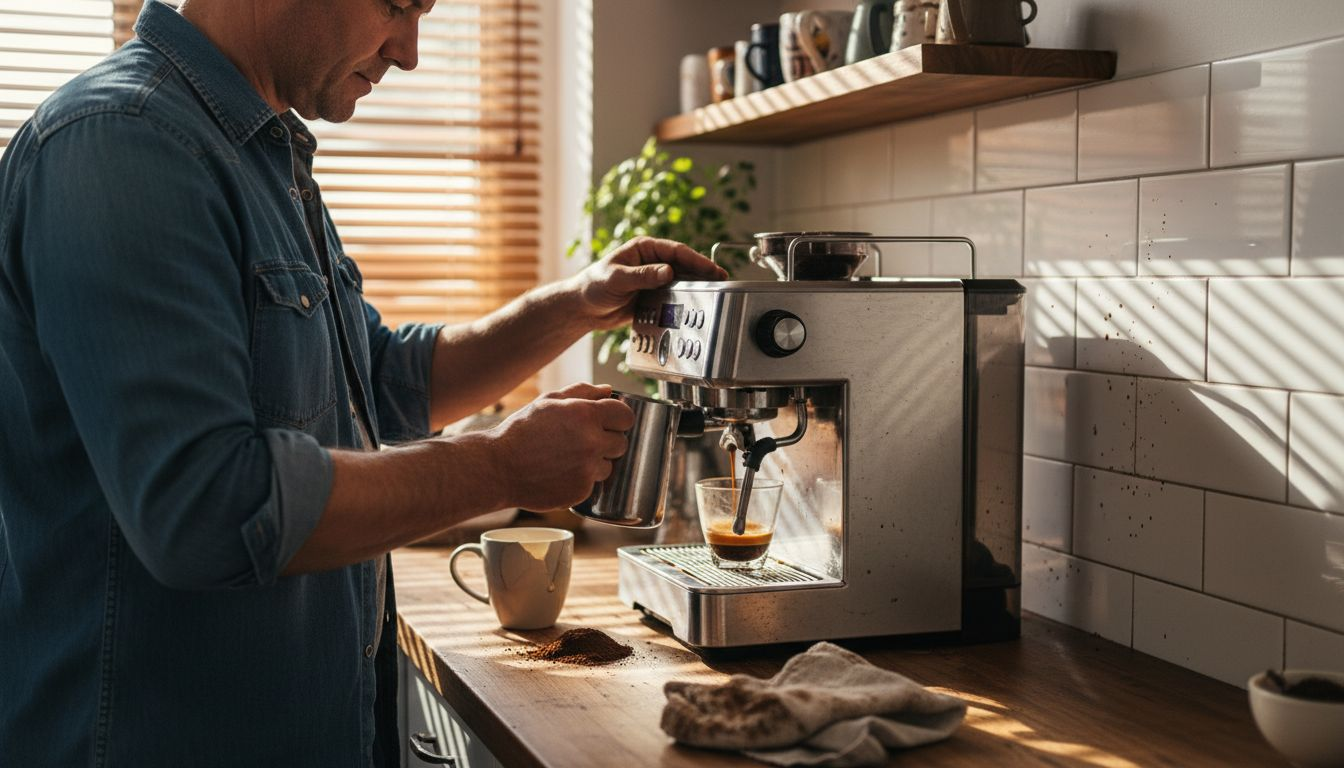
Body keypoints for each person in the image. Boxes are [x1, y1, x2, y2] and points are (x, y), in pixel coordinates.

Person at [0, 0, 725, 765]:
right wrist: (503, 466)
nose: (410, 52)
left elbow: (375, 381)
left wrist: (575, 305)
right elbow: (208, 506)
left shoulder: (259, 154)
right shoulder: (125, 142)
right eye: (397, 6)